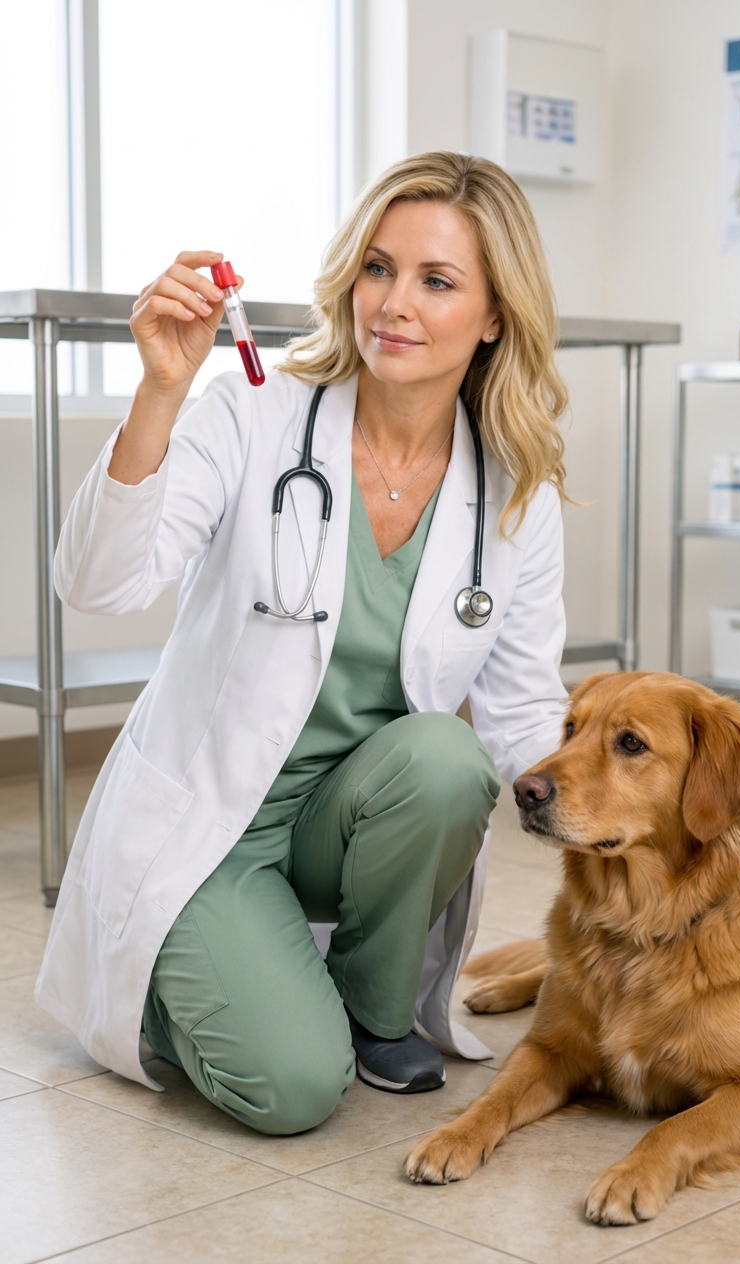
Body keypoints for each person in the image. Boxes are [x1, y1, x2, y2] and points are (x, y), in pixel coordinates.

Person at [35, 151, 569, 1135]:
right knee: (289, 1089)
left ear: (495, 315)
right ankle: (171, 963)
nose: (392, 303)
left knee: (447, 760)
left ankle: (369, 1010)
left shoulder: (512, 490)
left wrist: (634, 831)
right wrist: (159, 388)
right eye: (376, 267)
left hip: (347, 822)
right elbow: (98, 584)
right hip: (209, 828)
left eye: (435, 280)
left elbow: (524, 715)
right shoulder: (253, 415)